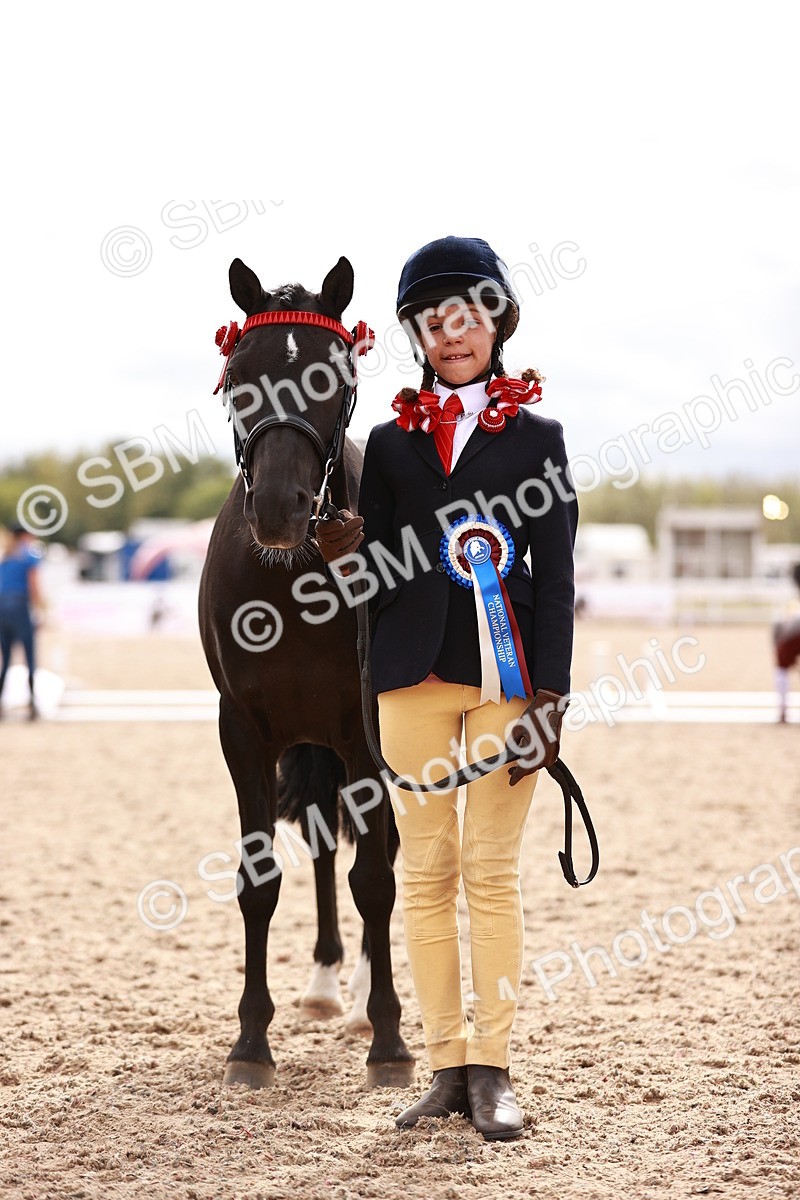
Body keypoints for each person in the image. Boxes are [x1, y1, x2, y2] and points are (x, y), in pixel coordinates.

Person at [316, 236, 578, 1140]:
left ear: (496, 319)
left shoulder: (540, 438)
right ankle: (444, 1066)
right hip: (410, 680)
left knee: (491, 873)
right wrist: (351, 559)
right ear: (418, 336)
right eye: (433, 321)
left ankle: (495, 1070)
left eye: (466, 315)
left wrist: (554, 699)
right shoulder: (388, 446)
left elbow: (554, 576)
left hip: (509, 688)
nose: (451, 332)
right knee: (423, 873)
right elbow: (376, 582)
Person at [0, 525, 44, 719]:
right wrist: (41, 610)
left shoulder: (6, 555)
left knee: (6, 658)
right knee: (29, 656)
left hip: (2, 607)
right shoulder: (29, 554)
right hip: (19, 605)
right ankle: (33, 703)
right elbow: (33, 584)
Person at [774, 563, 800, 723]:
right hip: (792, 630)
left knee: (781, 669)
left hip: (791, 631)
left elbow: (778, 628)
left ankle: (782, 709)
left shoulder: (792, 603)